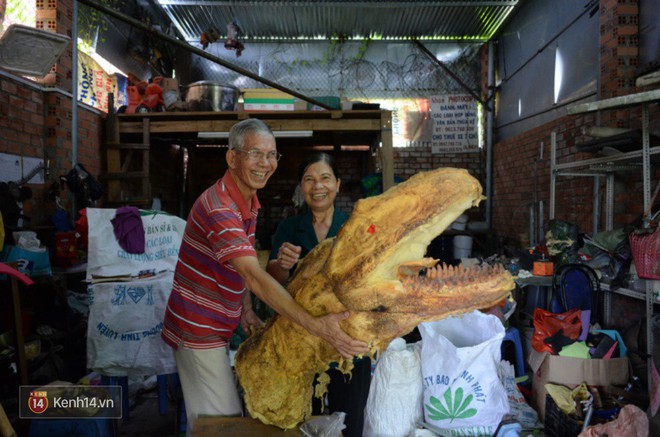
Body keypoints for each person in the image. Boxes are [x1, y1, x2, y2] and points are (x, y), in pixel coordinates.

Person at [161, 119, 368, 433]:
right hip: (198, 327)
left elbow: (238, 269)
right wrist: (315, 325)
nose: (266, 164)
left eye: (272, 155)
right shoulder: (222, 208)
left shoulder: (248, 202)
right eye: (255, 154)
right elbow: (255, 276)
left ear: (338, 184)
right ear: (233, 158)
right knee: (222, 424)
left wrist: (244, 310)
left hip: (221, 324)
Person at [266, 152, 371, 437]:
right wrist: (282, 265)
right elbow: (273, 280)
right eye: (309, 179)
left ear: (337, 184)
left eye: (325, 178)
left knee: (349, 418)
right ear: (302, 187)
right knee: (305, 419)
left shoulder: (355, 228)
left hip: (348, 339)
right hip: (303, 338)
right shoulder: (289, 228)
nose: (317, 186)